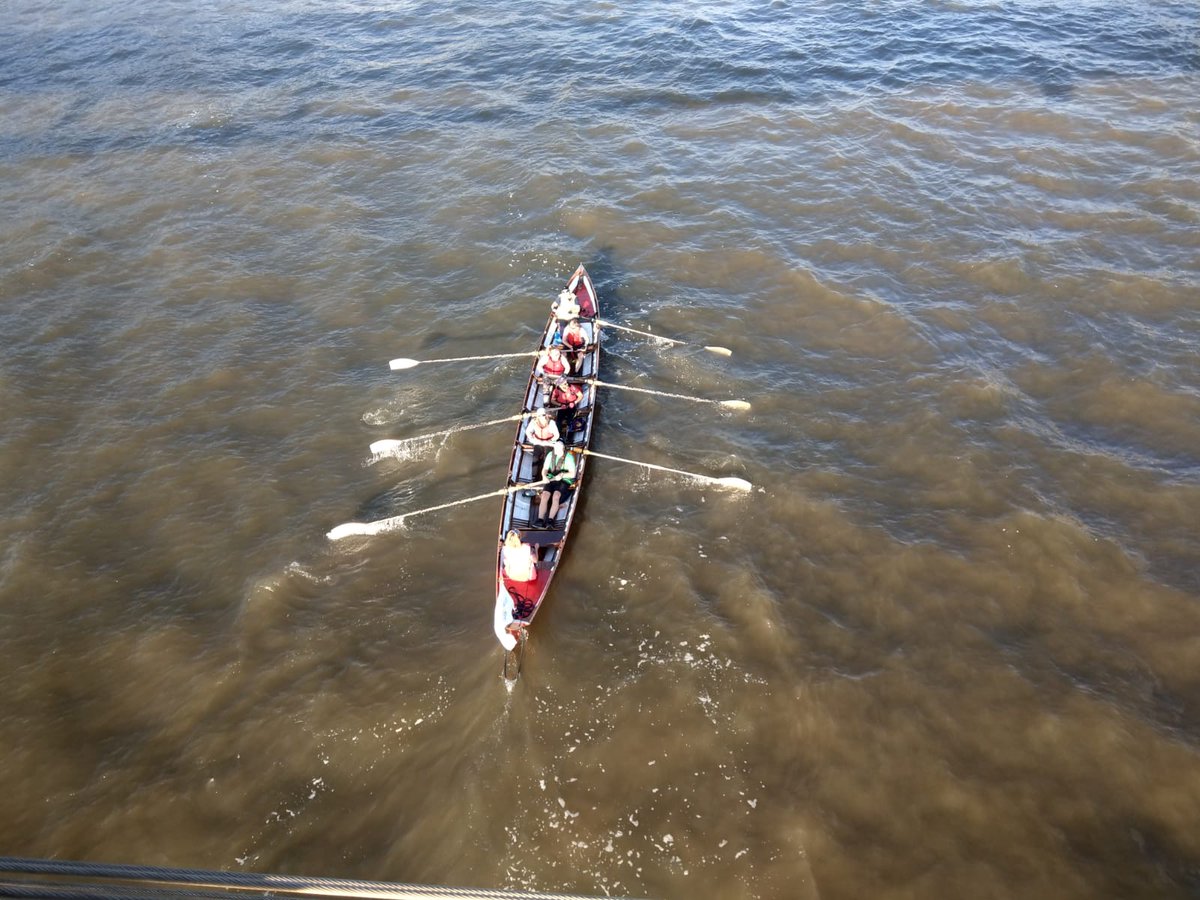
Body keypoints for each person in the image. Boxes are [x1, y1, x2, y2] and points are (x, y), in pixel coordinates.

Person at [535, 441, 576, 528]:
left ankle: (550, 520)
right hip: (551, 478)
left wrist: (562, 475)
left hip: (564, 480)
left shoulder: (569, 458)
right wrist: (544, 476)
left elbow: (572, 474)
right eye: (555, 448)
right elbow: (545, 469)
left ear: (562, 449)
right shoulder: (550, 455)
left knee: (556, 496)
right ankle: (540, 520)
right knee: (545, 495)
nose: (556, 451)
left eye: (558, 449)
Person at [524, 406, 559, 475]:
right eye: (540, 415)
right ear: (537, 416)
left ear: (546, 415)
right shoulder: (533, 422)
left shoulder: (551, 423)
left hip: (548, 443)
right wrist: (532, 439)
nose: (542, 417)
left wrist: (550, 441)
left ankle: (548, 474)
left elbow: (557, 435)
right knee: (535, 457)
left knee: (547, 458)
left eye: (543, 415)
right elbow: (528, 432)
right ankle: (534, 476)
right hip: (538, 442)